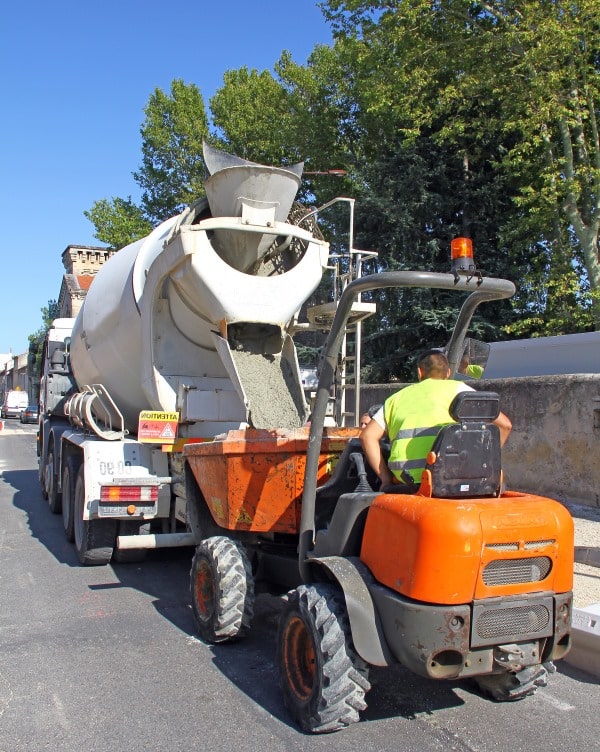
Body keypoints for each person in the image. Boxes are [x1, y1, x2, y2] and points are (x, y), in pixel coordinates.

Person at [360, 349, 512, 491]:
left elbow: (367, 436)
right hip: (457, 481)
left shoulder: (396, 399)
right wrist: (481, 460)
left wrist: (386, 480)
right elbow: (505, 425)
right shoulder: (461, 391)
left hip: (408, 485)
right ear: (448, 373)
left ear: (420, 373)